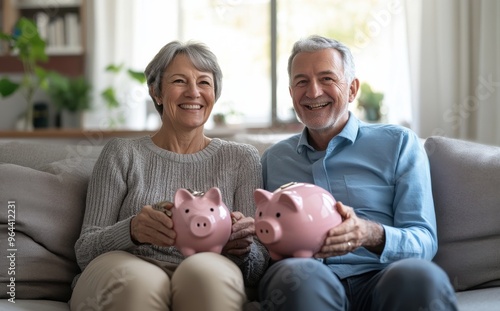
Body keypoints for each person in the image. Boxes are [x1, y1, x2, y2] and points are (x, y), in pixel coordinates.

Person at [258, 35, 458, 311]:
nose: (313, 92)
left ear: (352, 89)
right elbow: (260, 237)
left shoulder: (398, 144)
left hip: (382, 276)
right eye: (302, 81)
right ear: (292, 92)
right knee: (296, 279)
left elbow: (423, 239)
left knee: (419, 277)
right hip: (306, 279)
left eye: (327, 78)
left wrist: (368, 234)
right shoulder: (274, 159)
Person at [70, 40, 269, 311]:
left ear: (215, 94)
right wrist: (131, 230)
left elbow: (258, 267)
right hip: (128, 265)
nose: (193, 92)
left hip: (209, 269)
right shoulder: (122, 153)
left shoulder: (241, 158)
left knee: (206, 277)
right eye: (179, 81)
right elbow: (85, 251)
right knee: (139, 283)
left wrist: (244, 247)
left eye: (204, 83)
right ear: (156, 92)